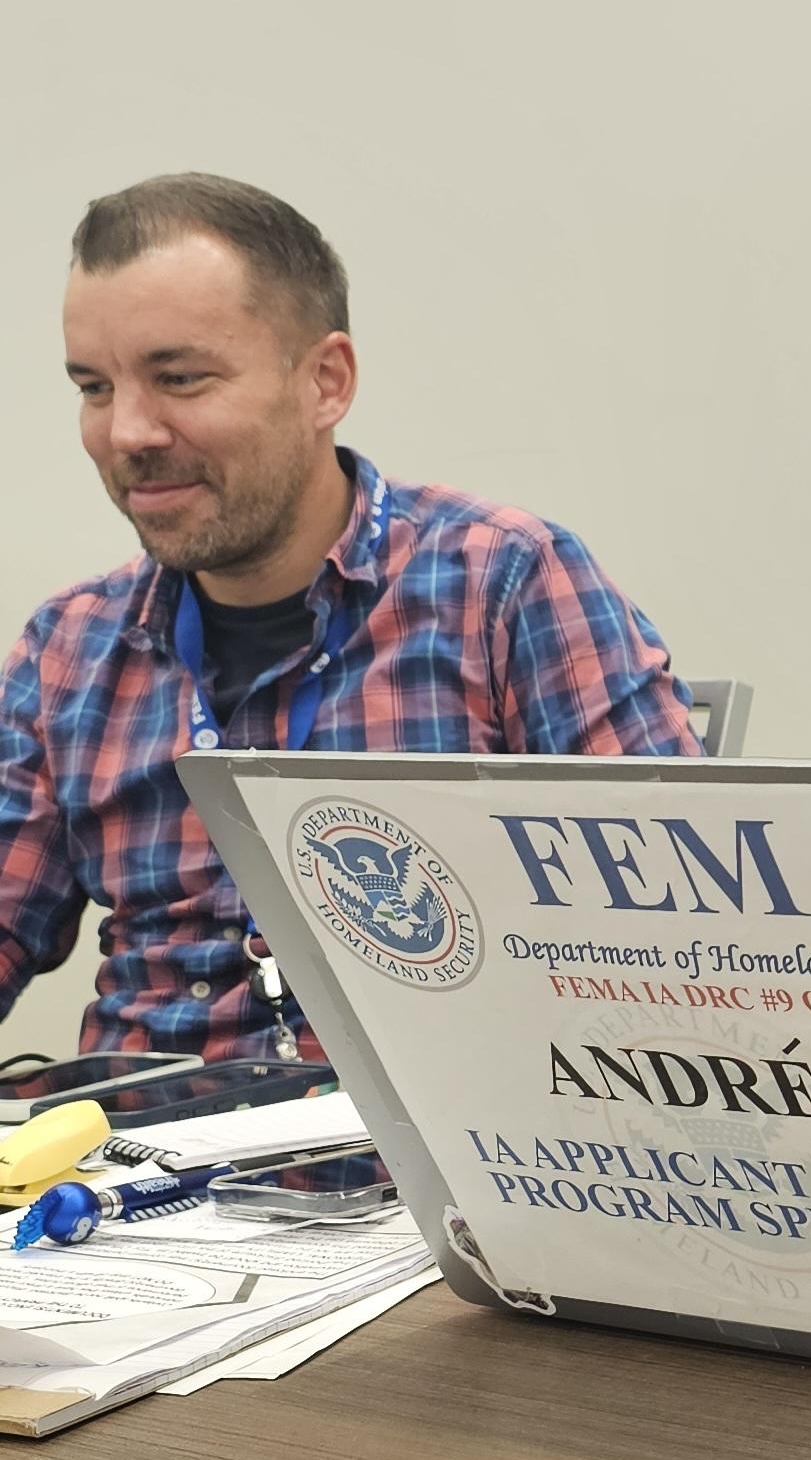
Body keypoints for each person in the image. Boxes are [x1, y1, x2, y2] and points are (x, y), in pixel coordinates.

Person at [0, 173, 701, 1060]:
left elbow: (685, 948)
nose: (128, 431)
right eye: (94, 388)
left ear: (325, 381)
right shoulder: (69, 647)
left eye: (178, 377)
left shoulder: (503, 583)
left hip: (412, 1175)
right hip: (129, 1173)